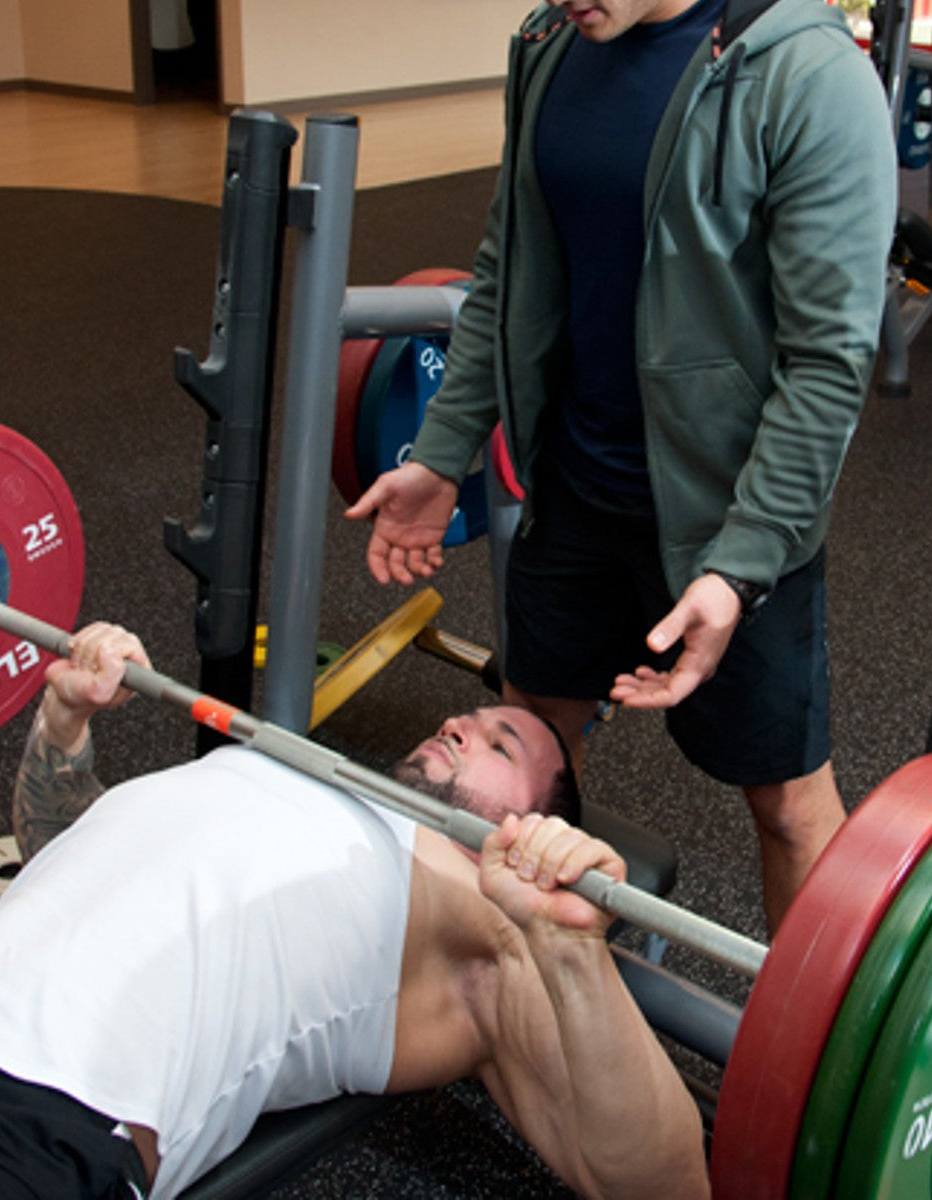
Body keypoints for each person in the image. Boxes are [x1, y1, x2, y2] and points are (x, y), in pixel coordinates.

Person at [0, 623, 709, 1200]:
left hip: (24, 1133)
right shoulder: (280, 765)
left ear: (532, 824)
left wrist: (567, 949)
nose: (462, 725)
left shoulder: (481, 915)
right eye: (468, 717)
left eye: (499, 740)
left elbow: (659, 1184)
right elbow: (57, 868)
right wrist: (64, 732)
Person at [345, 0, 898, 932]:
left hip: (729, 520)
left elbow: (829, 360)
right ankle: (532, 1009)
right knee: (529, 747)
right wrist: (445, 453)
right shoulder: (551, 44)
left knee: (791, 809)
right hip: (576, 484)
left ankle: (808, 1068)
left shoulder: (809, 73)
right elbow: (507, 268)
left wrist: (743, 563)